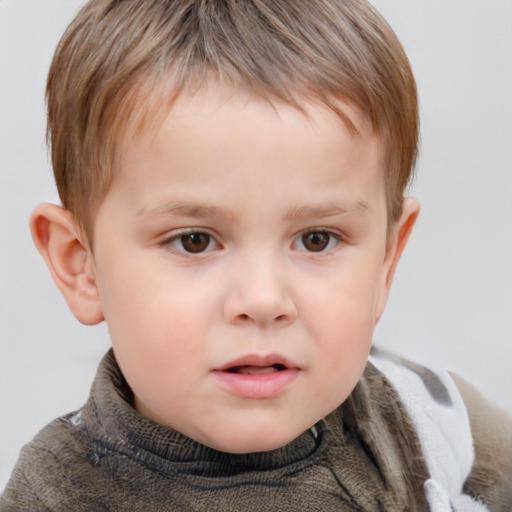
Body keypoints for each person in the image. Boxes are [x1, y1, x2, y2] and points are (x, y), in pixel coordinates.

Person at [1, 0, 510, 510]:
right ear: (81, 265)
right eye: (194, 241)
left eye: (317, 239)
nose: (264, 300)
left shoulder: (434, 428)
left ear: (385, 260)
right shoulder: (60, 494)